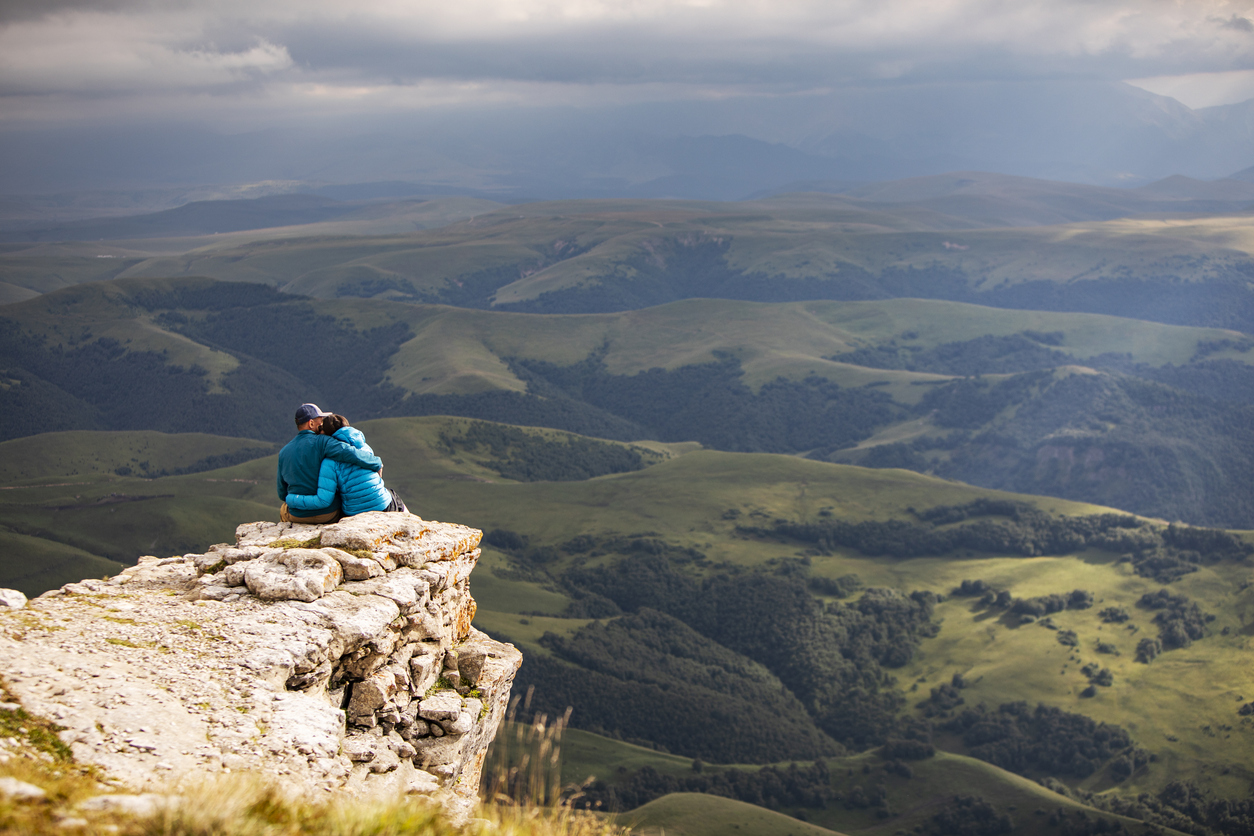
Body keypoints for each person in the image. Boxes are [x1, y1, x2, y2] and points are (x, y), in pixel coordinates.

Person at [276, 403, 383, 524]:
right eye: (319, 422)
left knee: (284, 509)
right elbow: (351, 453)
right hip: (328, 514)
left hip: (297, 515)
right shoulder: (323, 442)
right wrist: (376, 462)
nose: (322, 426)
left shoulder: (283, 452)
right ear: (311, 423)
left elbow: (282, 493)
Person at [284, 413, 407, 516]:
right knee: (393, 496)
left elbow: (324, 499)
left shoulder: (329, 462)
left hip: (354, 512)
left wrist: (291, 499)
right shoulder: (365, 448)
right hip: (382, 504)